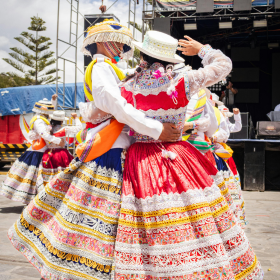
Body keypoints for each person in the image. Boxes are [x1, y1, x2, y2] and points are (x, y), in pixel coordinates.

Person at [8, 20, 180, 280]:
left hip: (119, 147)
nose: (122, 48)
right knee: (100, 219)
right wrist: (157, 129)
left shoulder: (111, 68)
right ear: (102, 42)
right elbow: (116, 106)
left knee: (107, 219)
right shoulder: (101, 69)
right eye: (119, 43)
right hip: (111, 151)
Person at [112, 31, 263, 278]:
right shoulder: (183, 81)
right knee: (192, 217)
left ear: (142, 55)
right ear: (170, 59)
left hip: (139, 158)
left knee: (145, 219)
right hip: (177, 153)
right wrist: (202, 49)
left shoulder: (127, 85)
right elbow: (224, 65)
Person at [0, 96, 64, 204]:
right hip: (37, 153)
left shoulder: (41, 118)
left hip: (39, 151)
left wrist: (53, 101)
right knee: (33, 177)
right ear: (44, 111)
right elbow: (44, 134)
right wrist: (58, 141)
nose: (51, 112)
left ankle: (37, 199)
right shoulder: (39, 121)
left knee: (34, 177)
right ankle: (35, 200)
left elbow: (51, 110)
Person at [36, 110, 82, 189]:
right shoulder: (64, 129)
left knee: (49, 176)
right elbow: (79, 128)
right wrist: (76, 117)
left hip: (48, 155)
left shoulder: (46, 129)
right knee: (65, 174)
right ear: (61, 121)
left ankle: (49, 190)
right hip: (62, 154)